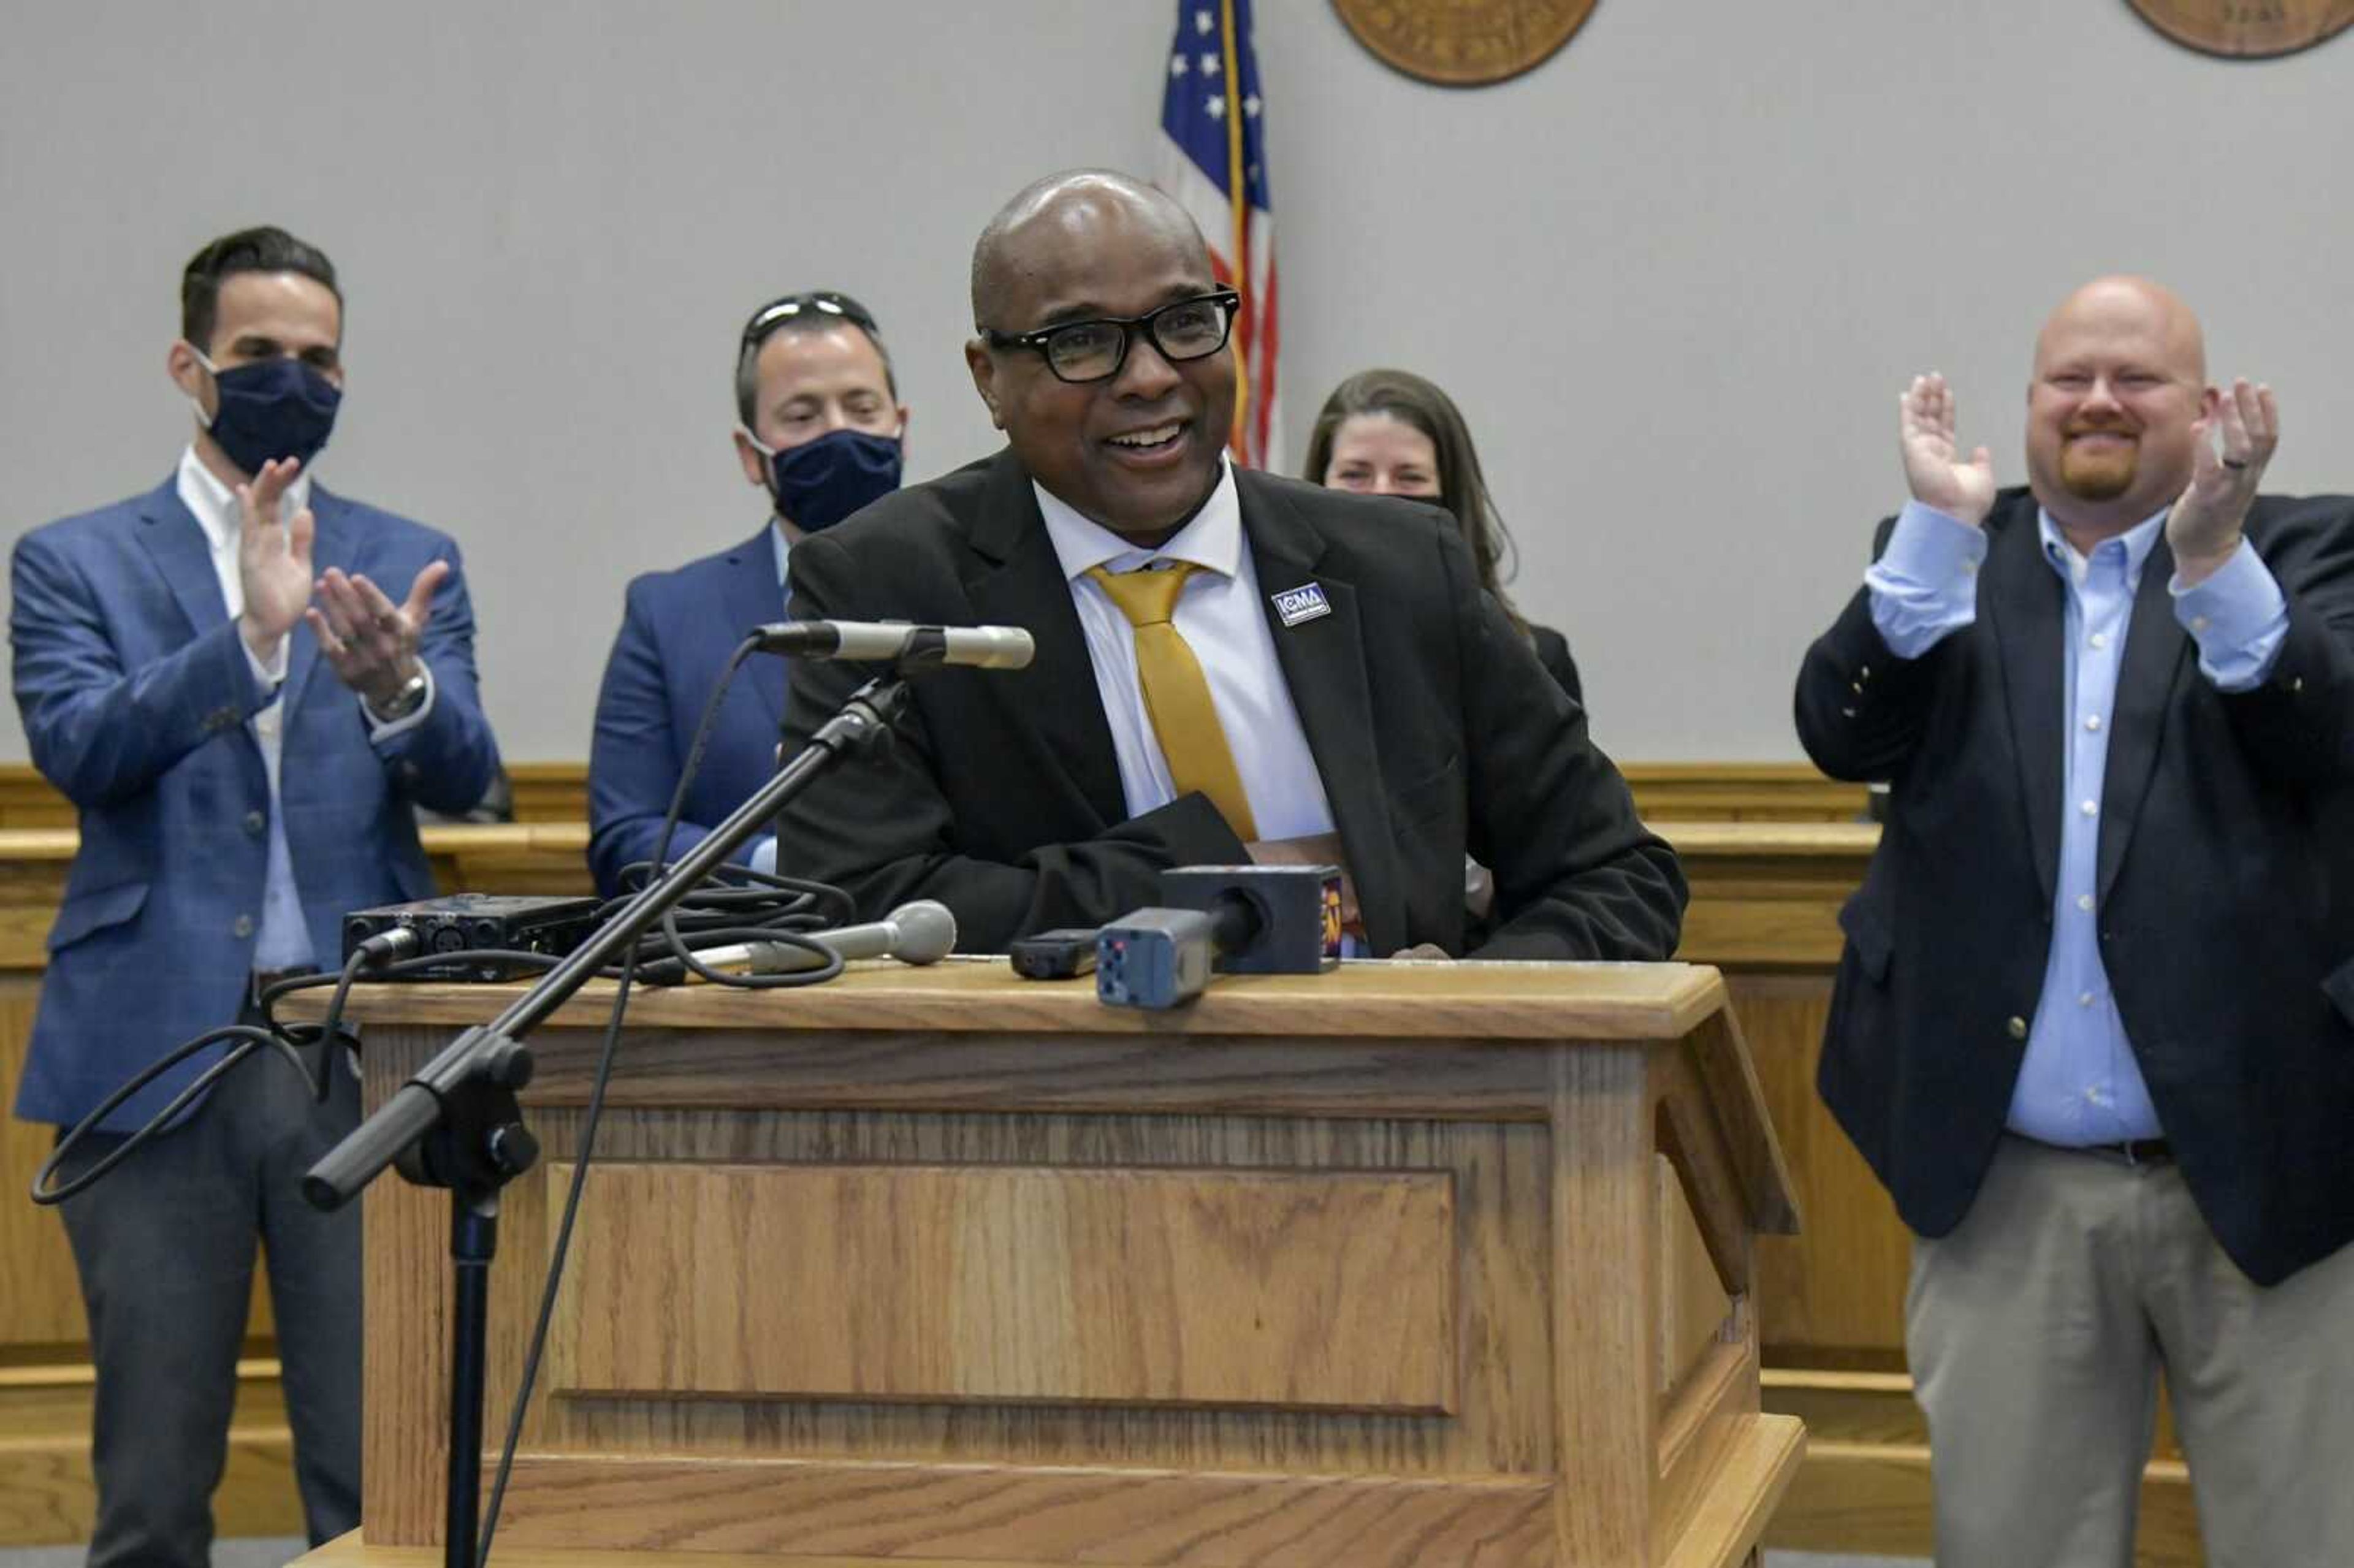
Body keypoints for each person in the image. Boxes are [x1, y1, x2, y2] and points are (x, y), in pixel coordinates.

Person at [1794, 275, 2354, 1567]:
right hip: (2011, 1192)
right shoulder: (1941, 555)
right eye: (2070, 377)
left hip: (2275, 1183)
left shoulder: (2307, 551)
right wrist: (1934, 533)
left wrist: (2212, 557)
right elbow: (1840, 732)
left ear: (2205, 408)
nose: (2099, 399)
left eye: (2137, 378)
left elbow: (2326, 730)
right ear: (2033, 403)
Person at [776, 170, 1681, 959]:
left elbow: (1613, 871)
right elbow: (861, 904)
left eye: (1184, 322)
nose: (1150, 375)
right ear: (989, 380)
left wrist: (1467, 1018)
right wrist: (1223, 876)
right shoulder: (884, 581)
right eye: (1082, 341)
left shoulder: (1399, 566)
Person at [9, 226, 503, 1566]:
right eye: (259, 356)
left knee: (378, 1464)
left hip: (355, 1052)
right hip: (150, 1051)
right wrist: (249, 639)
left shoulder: (406, 552)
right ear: (190, 366)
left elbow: (477, 785)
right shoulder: (72, 559)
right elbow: (79, 749)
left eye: (320, 359)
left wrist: (395, 683)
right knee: (156, 1478)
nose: (296, 379)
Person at [587, 290, 909, 897]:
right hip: (749, 965)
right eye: (802, 416)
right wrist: (784, 860)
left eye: (861, 407)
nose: (837, 432)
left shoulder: (978, 590)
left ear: (901, 426)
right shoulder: (668, 613)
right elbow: (626, 839)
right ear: (751, 454)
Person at [1303, 368, 1582, 706]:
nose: (1381, 495)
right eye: (1354, 475)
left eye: (1410, 477)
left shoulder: (1534, 658)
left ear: (1450, 493)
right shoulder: (1280, 647)